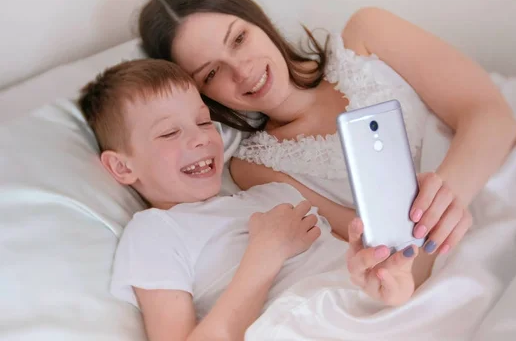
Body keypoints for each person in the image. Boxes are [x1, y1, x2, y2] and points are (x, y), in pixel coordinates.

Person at [137, 0, 516, 281]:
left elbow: (490, 114)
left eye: (238, 38)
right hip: (439, 262)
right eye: (213, 72)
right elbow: (379, 248)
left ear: (256, 19)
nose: (243, 71)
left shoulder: (370, 32)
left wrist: (448, 196)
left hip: (505, 183)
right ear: (203, 95)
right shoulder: (256, 166)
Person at [78, 59, 420, 341]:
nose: (200, 138)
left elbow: (365, 275)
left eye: (202, 121)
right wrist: (265, 254)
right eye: (170, 132)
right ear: (122, 167)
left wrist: (392, 284)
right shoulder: (154, 231)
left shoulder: (275, 193)